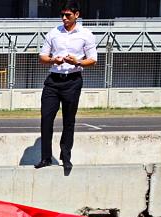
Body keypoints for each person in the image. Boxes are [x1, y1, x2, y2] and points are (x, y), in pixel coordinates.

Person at [36, 1, 97, 170]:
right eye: (62, 15)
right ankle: (46, 158)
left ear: (76, 15)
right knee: (46, 119)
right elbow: (42, 57)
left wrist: (77, 62)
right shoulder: (53, 33)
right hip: (53, 80)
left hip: (72, 81)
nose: (64, 18)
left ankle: (66, 157)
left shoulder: (86, 34)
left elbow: (93, 59)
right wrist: (52, 59)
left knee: (68, 121)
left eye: (68, 15)